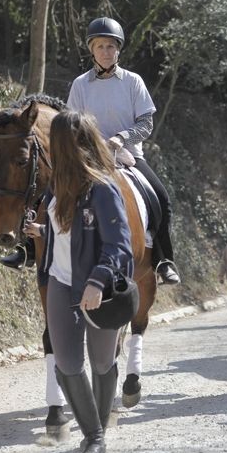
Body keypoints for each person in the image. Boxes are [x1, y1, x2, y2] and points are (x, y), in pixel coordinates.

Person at [24, 110, 132, 453]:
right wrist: (44, 232)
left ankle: (95, 434)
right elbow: (67, 229)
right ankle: (95, 437)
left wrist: (98, 280)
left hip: (96, 288)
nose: (49, 148)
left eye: (53, 142)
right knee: (67, 364)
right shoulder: (56, 186)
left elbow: (119, 244)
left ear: (68, 144)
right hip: (60, 281)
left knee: (102, 362)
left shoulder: (103, 188)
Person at [66, 17, 179, 285]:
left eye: (111, 46)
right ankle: (29, 248)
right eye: (100, 46)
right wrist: (95, 146)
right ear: (92, 50)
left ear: (118, 50)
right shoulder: (80, 84)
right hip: (90, 157)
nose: (106, 51)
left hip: (129, 155)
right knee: (49, 190)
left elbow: (145, 123)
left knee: (161, 198)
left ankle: (163, 260)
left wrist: (121, 139)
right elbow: (72, 124)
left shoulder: (133, 81)